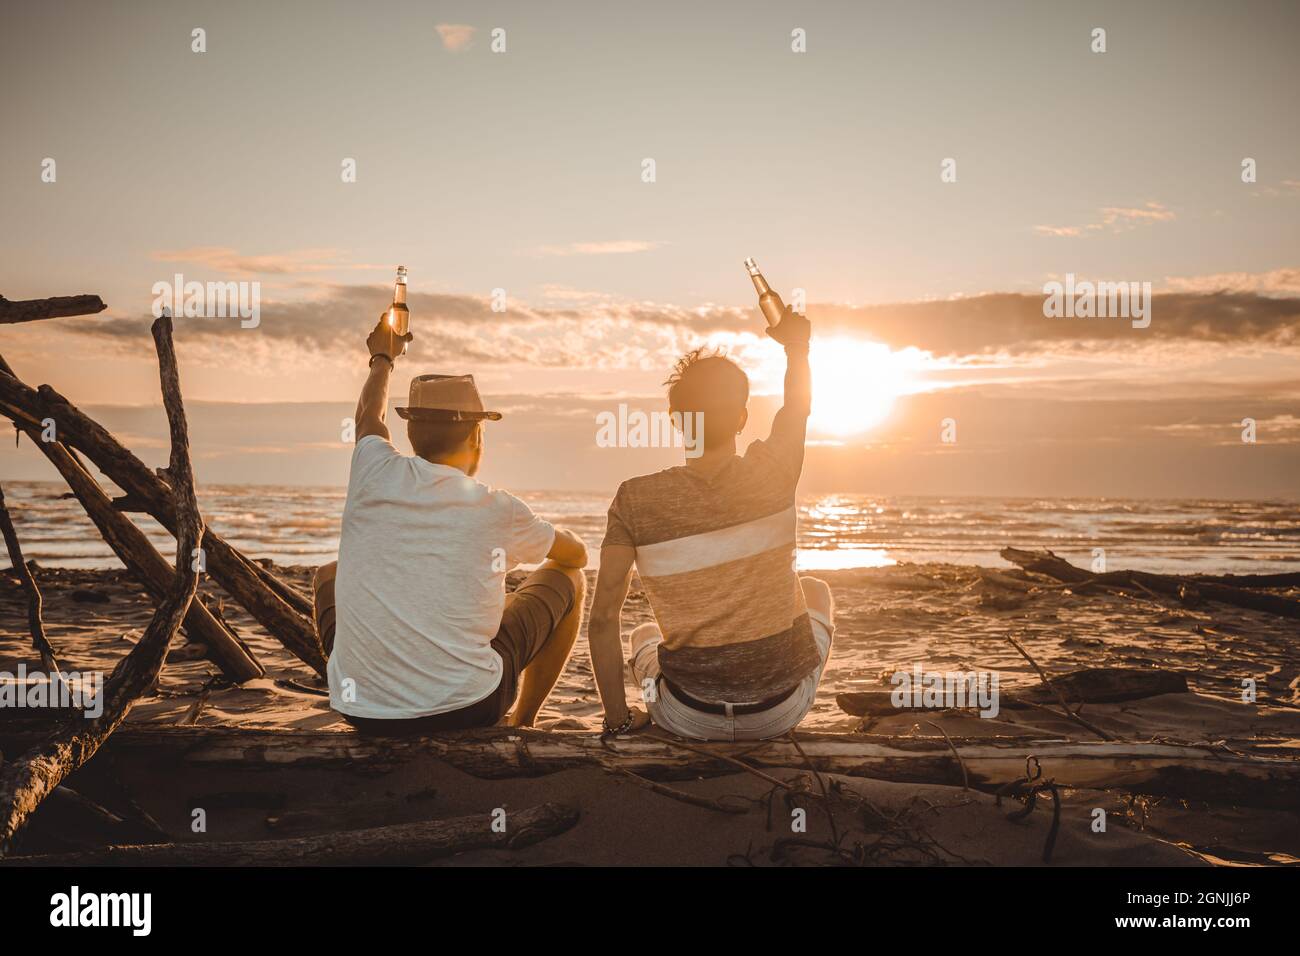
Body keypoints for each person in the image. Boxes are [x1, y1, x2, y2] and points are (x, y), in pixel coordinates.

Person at [313, 315, 589, 734]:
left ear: (410, 434)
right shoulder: (497, 507)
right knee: (572, 578)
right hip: (468, 708)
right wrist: (547, 537)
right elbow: (577, 556)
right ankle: (524, 720)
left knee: (327, 576)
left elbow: (369, 413)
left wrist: (382, 358)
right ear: (477, 437)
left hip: (362, 712)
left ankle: (373, 686)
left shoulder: (373, 469)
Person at [587, 306, 834, 741]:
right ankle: (778, 699)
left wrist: (617, 721)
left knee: (643, 634)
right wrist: (797, 347)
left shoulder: (635, 498)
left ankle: (636, 713)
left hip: (688, 716)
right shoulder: (773, 469)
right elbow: (797, 406)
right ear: (741, 418)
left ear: (677, 422)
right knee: (817, 591)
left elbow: (604, 617)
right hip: (777, 712)